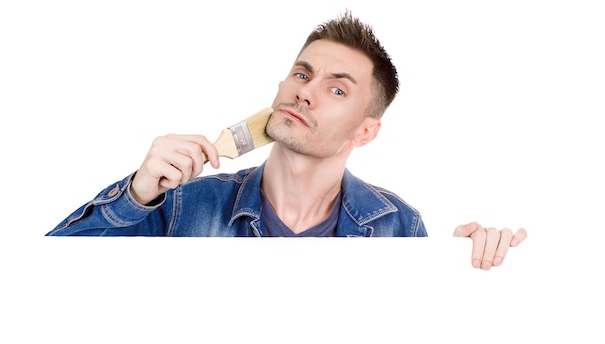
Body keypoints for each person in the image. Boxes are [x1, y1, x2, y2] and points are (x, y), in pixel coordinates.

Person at [46, 10, 527, 271]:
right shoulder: (180, 205)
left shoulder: (398, 226)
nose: (305, 91)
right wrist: (136, 195)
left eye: (336, 88)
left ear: (365, 130)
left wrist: (465, 270)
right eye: (302, 73)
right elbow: (43, 279)